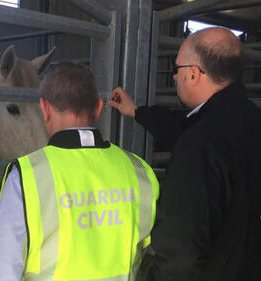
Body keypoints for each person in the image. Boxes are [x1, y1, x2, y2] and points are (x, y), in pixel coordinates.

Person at [0, 62, 159, 281]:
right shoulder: (139, 170)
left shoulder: (27, 177)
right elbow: (149, 248)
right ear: (99, 108)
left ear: (44, 108)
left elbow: (0, 271)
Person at [109, 27, 261, 281]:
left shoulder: (201, 143)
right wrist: (138, 112)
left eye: (176, 69)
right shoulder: (249, 120)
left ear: (193, 74)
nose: (174, 77)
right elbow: (186, 126)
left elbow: (181, 252)